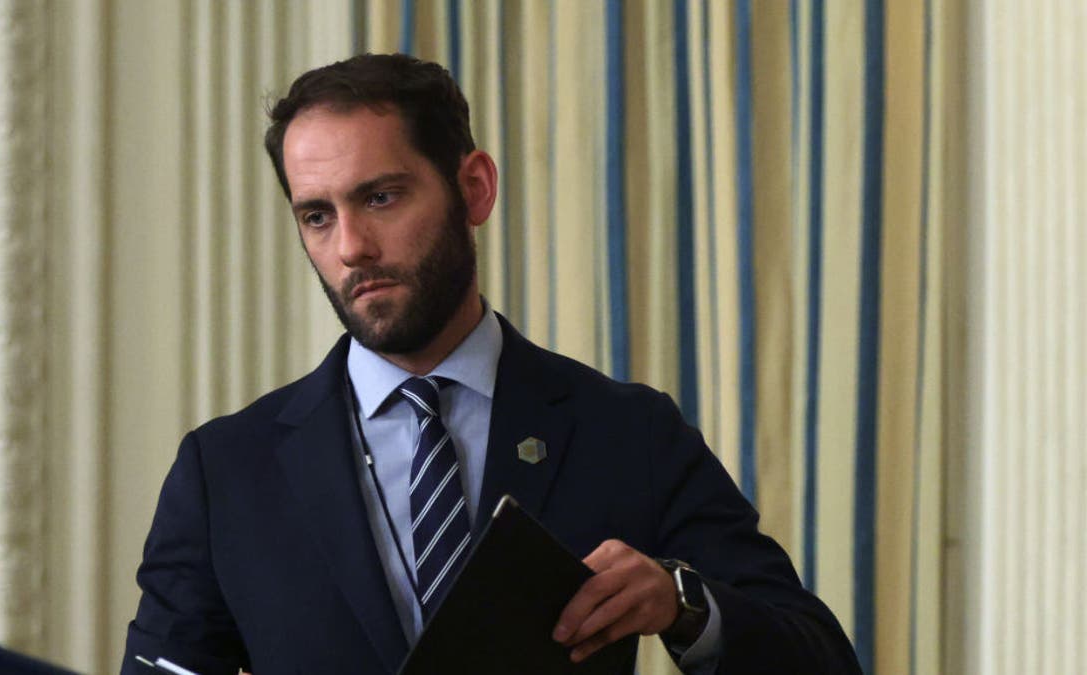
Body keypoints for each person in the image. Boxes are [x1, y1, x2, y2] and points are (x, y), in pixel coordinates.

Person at [121, 53, 860, 675]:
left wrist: (680, 601)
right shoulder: (226, 473)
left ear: (473, 187)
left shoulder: (626, 431)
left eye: (380, 197)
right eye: (318, 215)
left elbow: (819, 656)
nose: (350, 247)